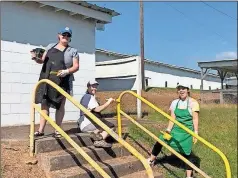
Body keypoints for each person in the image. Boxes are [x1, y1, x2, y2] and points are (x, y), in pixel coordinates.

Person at [30, 27, 79, 138]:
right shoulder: (50, 46)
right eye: (63, 34)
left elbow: (76, 66)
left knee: (60, 105)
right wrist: (35, 58)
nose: (65, 37)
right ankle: (41, 130)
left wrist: (67, 71)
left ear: (70, 38)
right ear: (59, 35)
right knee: (44, 104)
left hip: (63, 80)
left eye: (68, 35)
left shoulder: (73, 51)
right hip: (47, 79)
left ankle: (58, 129)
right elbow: (41, 60)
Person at [147, 83, 199, 178]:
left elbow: (195, 119)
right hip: (175, 130)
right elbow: (172, 119)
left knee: (187, 152)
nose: (181, 90)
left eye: (183, 88)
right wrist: (168, 130)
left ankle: (189, 176)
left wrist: (195, 133)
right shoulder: (175, 102)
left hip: (187, 132)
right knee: (160, 140)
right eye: (179, 89)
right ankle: (151, 160)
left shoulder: (193, 103)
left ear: (188, 90)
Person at [78, 80, 115, 148]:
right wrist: (109, 102)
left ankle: (95, 132)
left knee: (105, 125)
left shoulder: (85, 97)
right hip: (88, 123)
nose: (94, 88)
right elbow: (97, 109)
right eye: (92, 86)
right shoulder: (89, 97)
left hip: (83, 124)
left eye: (96, 86)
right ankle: (99, 140)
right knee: (111, 127)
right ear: (88, 87)